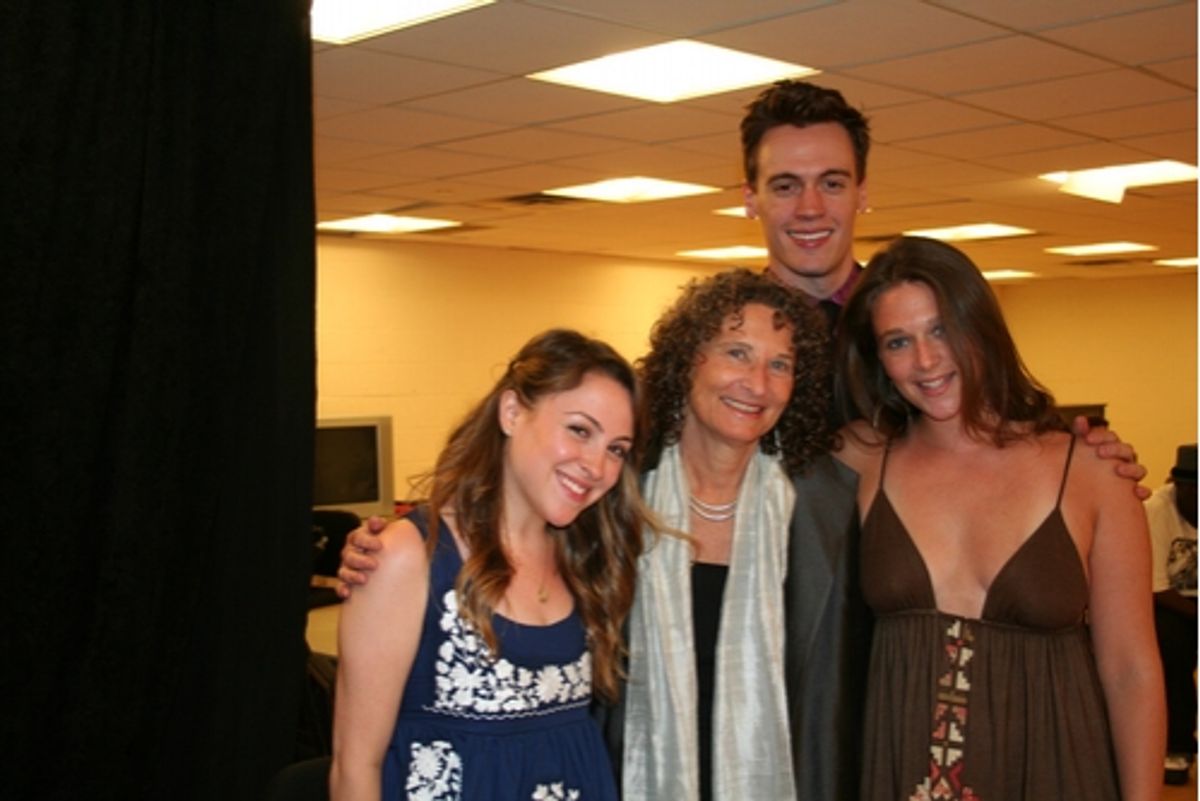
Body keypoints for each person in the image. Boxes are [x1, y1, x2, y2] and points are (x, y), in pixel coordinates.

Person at [338, 81, 1148, 801]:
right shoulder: (679, 373)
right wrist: (402, 547)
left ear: (861, 192)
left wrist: (1080, 452)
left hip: (853, 720)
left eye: (831, 183)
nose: (809, 207)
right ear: (749, 197)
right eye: (784, 184)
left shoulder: (895, 332)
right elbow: (564, 466)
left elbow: (983, 437)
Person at [834, 236, 1165, 801]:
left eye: (941, 329)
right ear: (880, 361)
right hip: (899, 772)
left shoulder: (1090, 472)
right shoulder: (858, 461)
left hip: (1058, 773)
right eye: (898, 341)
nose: (926, 360)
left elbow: (1131, 671)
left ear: (979, 325)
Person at [329, 329, 648, 801]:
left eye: (616, 449)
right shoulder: (407, 555)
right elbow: (355, 769)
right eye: (579, 430)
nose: (596, 466)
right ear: (512, 412)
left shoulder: (590, 561)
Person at [619, 269, 831, 801]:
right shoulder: (613, 497)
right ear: (689, 358)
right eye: (737, 353)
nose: (758, 384)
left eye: (779, 365)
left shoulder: (824, 512)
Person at [1145, 443, 1197, 785]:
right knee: (1171, 651)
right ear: (1178, 486)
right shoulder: (1155, 511)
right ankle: (1176, 747)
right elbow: (1156, 587)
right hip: (1172, 603)